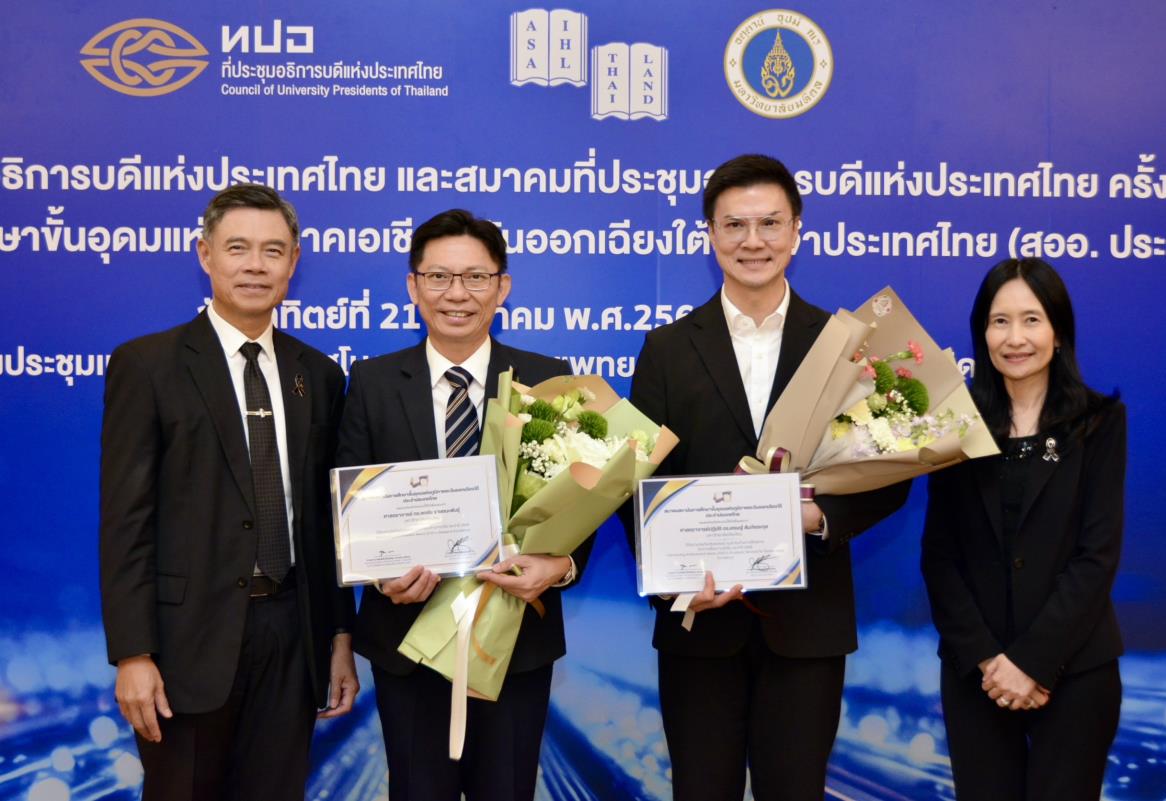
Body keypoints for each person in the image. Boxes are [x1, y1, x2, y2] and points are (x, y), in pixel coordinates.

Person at [625, 154, 910, 801]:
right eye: (735, 225)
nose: (752, 241)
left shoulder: (844, 344)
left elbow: (890, 470)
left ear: (796, 232)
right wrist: (674, 582)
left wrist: (820, 517)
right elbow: (634, 483)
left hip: (806, 628)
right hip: (700, 626)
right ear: (710, 234)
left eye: (769, 223)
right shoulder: (666, 349)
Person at [99, 183, 359, 801]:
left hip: (291, 639)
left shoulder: (318, 375)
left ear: (293, 262)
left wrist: (339, 638)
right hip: (184, 646)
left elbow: (325, 525)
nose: (255, 265)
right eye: (238, 248)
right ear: (205, 255)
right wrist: (133, 655)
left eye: (273, 251)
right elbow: (126, 521)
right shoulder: (149, 364)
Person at [337, 208, 586, 801]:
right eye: (439, 277)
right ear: (413, 286)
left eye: (476, 277)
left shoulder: (548, 379)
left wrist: (561, 565)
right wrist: (379, 575)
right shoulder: (372, 383)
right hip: (407, 641)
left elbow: (580, 496)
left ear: (502, 287)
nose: (457, 294)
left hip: (516, 642)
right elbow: (349, 506)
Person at [921, 257, 1124, 800]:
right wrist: (990, 661)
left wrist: (1032, 663)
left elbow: (1097, 556)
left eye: (1031, 319)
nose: (1015, 338)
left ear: (1058, 331)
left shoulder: (1099, 422)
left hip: (1075, 671)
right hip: (977, 675)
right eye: (1000, 321)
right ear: (982, 334)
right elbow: (939, 557)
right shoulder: (954, 425)